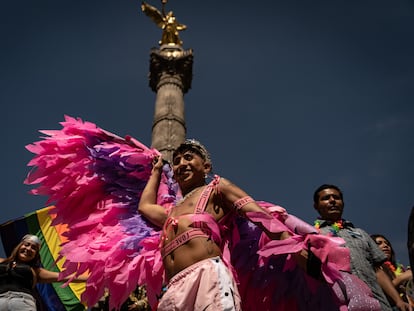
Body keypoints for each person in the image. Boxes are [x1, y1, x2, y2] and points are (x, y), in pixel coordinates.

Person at [138, 139, 316, 310]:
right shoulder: (172, 211)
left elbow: (259, 215)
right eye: (176, 161)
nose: (182, 164)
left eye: (189, 158)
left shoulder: (216, 189)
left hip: (206, 278)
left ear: (206, 167)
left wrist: (293, 246)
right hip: (172, 290)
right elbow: (145, 207)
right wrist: (156, 171)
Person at [313, 184, 410, 311]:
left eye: (336, 197)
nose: (332, 200)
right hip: (344, 305)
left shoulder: (361, 233)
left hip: (380, 304)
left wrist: (398, 301)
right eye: (326, 198)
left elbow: (378, 271)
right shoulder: (314, 235)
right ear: (316, 206)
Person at [0, 234, 87, 310]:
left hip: (22, 302)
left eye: (33, 248)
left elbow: (65, 276)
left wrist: (95, 277)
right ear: (19, 246)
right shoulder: (1, 261)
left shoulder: (36, 271)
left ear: (35, 255)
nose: (29, 249)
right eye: (26, 245)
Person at [371, 234, 413, 309]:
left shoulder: (399, 268)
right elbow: (377, 292)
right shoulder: (372, 267)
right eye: (379, 243)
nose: (385, 245)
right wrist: (401, 279)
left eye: (387, 243)